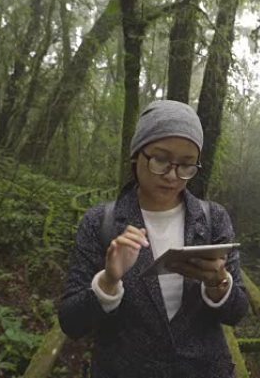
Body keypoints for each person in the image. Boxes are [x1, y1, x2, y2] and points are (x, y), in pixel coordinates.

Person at [58, 100, 249, 378]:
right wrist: (108, 282)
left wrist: (218, 285)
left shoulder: (212, 219)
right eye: (160, 159)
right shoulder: (101, 222)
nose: (173, 175)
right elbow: (71, 322)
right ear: (137, 154)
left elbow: (237, 313)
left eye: (186, 165)